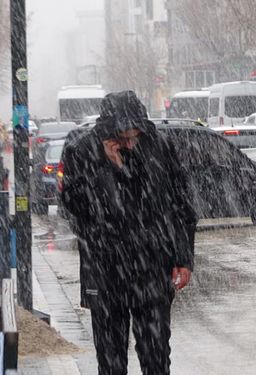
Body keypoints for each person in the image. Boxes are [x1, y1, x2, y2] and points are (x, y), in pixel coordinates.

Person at [60, 90, 197, 375]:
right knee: (111, 363)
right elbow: (78, 208)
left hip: (152, 270)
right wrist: (107, 167)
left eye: (134, 134)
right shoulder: (83, 151)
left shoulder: (157, 146)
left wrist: (184, 258)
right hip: (106, 271)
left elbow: (180, 206)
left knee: (156, 357)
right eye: (123, 137)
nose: (130, 142)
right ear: (109, 132)